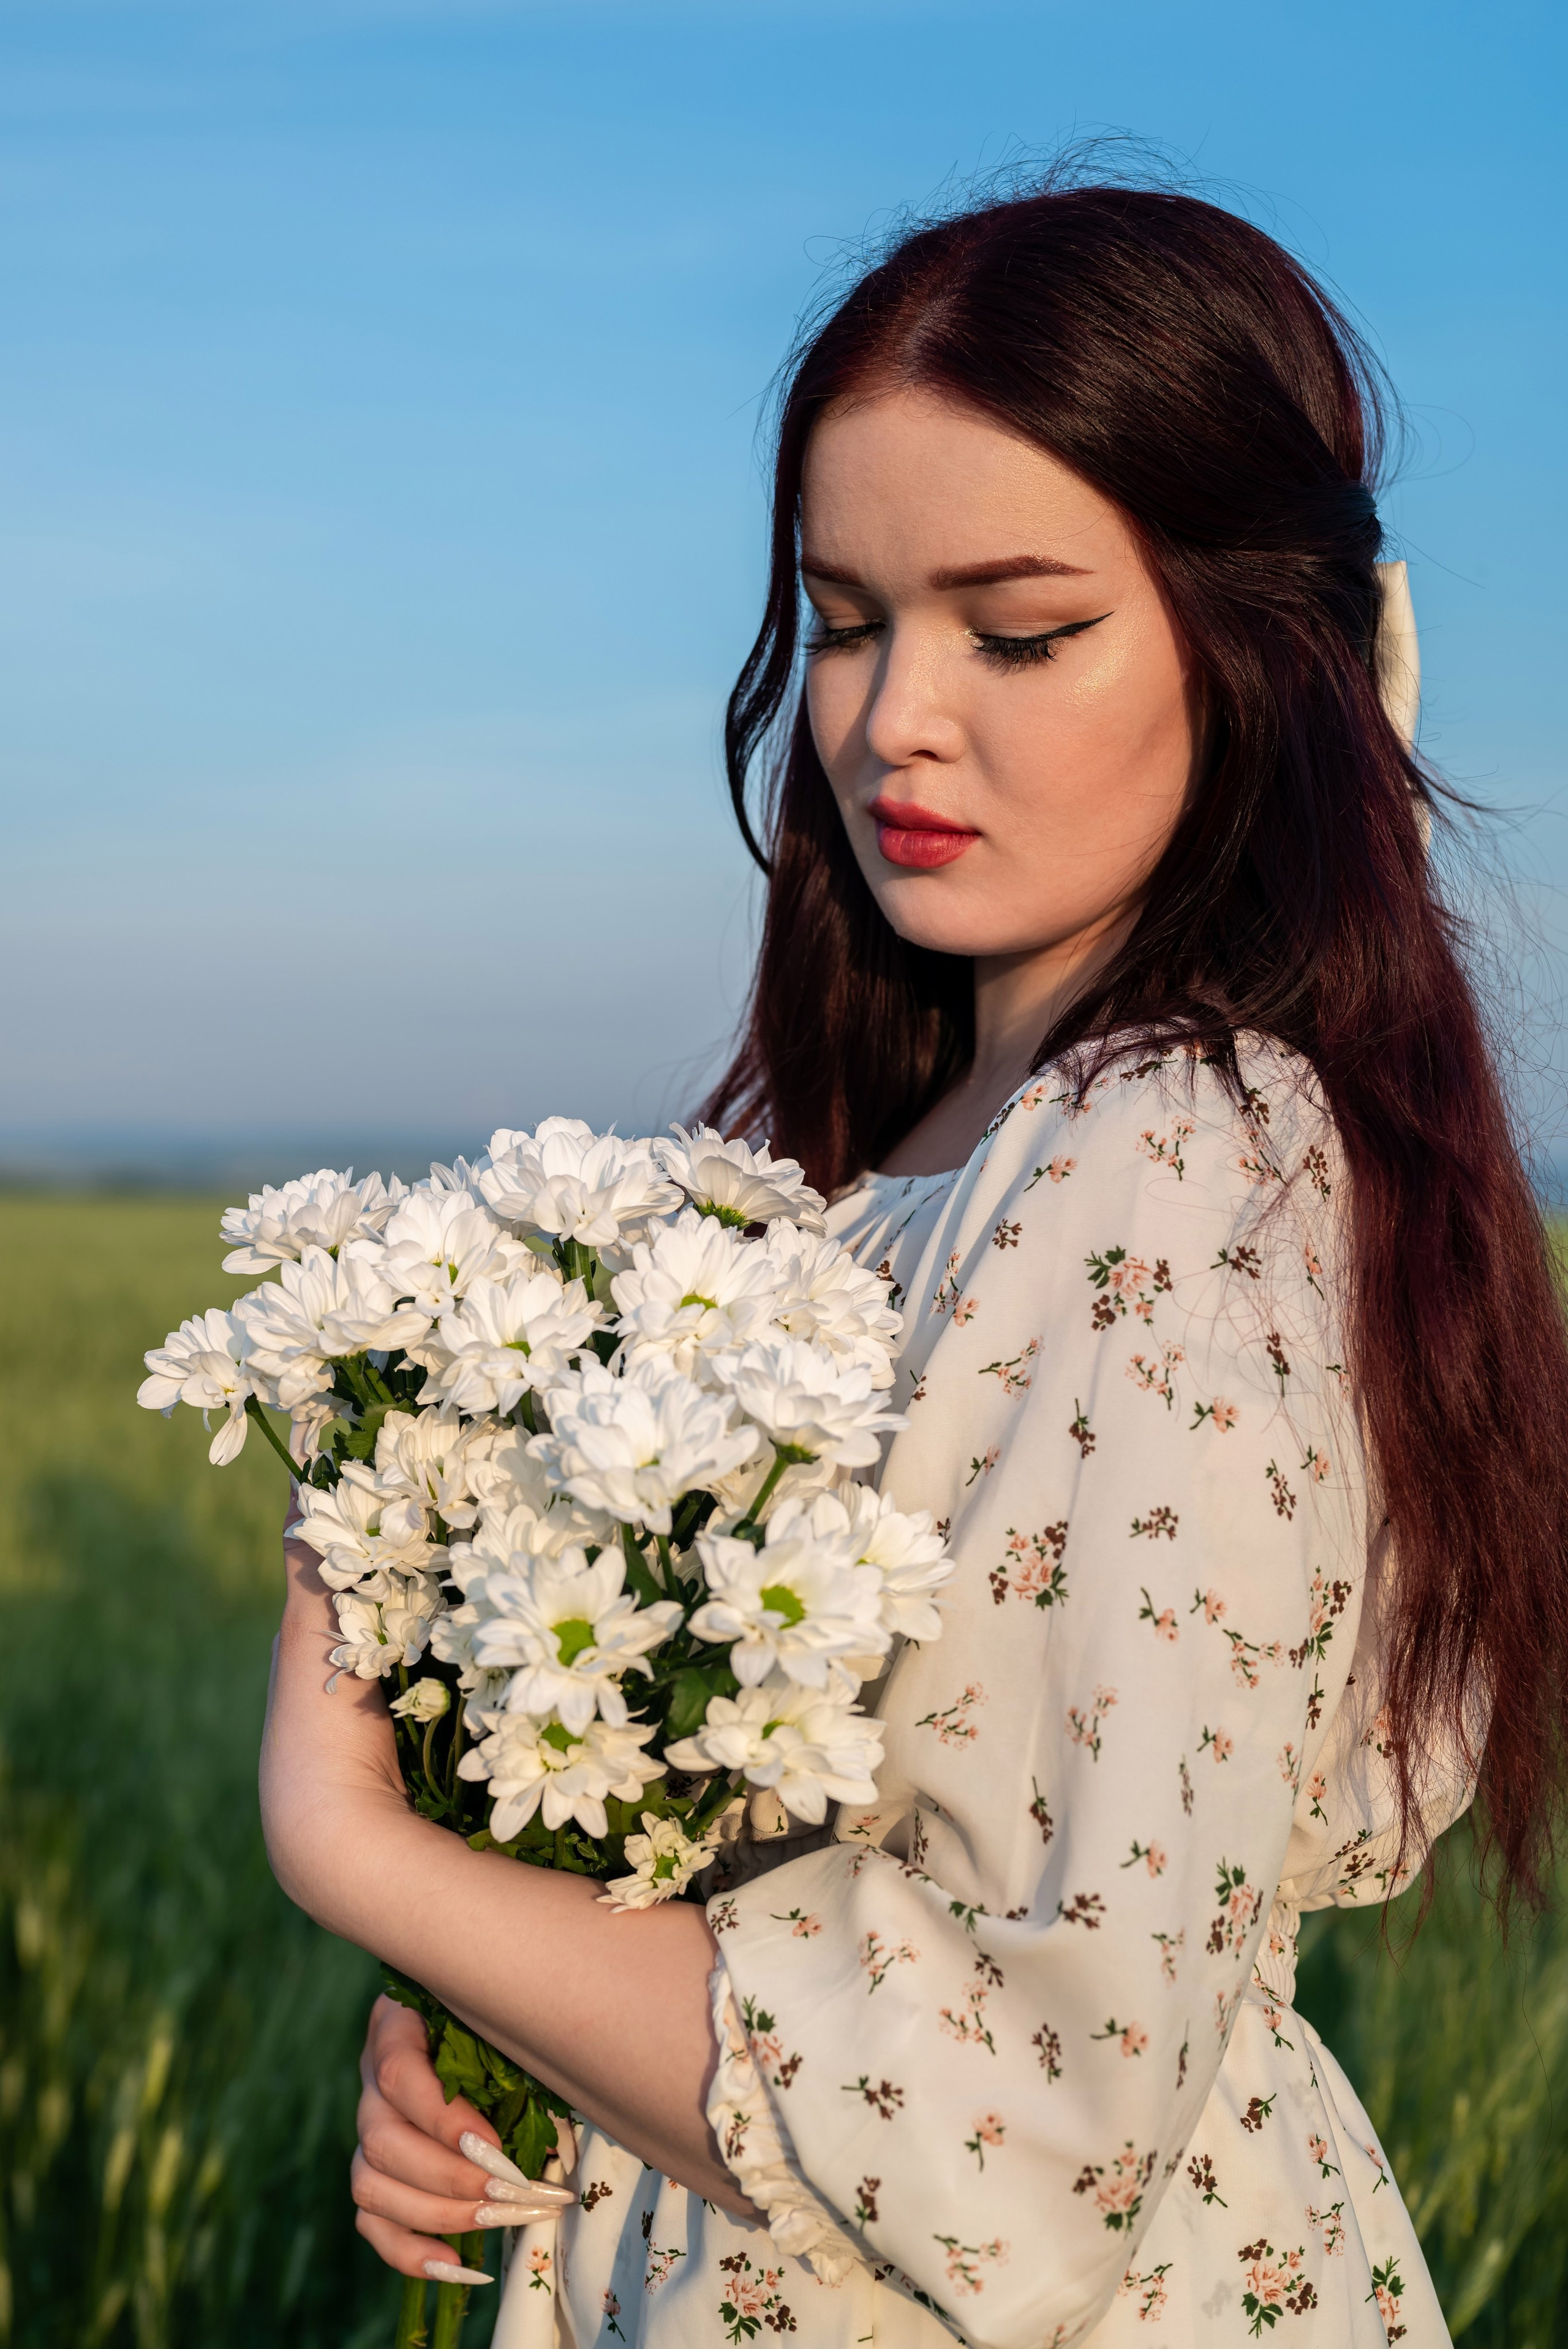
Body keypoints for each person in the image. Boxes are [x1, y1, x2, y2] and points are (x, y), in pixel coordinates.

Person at [259, 175, 1568, 2347]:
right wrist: (517, 2016)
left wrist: (359, 1841)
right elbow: (799, 1926)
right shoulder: (897, 1158)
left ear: (1262, 647)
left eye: (1022, 629)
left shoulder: (1175, 1161)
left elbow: (1019, 2137)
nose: (890, 724)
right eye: (846, 618)